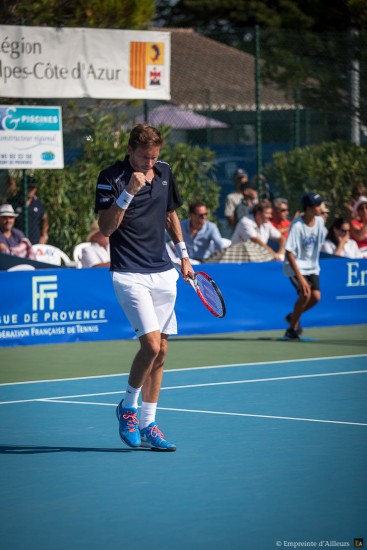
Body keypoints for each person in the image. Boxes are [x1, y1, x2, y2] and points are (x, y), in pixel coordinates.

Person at [95, 123, 194, 452]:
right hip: (128, 273)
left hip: (164, 272)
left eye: (154, 157)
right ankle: (127, 408)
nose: (149, 163)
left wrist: (184, 256)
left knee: (163, 351)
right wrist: (128, 192)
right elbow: (107, 228)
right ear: (130, 151)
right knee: (150, 347)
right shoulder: (111, 176)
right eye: (144, 157)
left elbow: (170, 215)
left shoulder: (164, 171)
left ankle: (150, 424)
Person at [283, 192, 325, 340]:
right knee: (305, 294)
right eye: (317, 205)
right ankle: (291, 329)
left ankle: (293, 316)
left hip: (312, 266)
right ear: (307, 208)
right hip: (295, 266)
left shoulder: (320, 222)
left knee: (316, 297)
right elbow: (289, 252)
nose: (321, 207)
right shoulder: (296, 226)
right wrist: (300, 277)